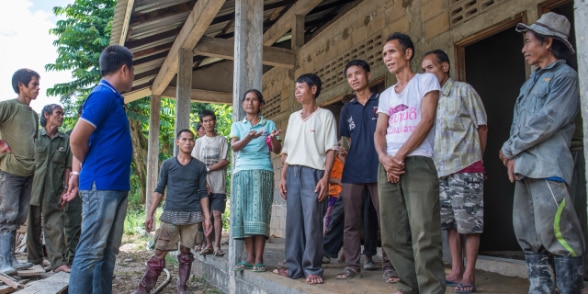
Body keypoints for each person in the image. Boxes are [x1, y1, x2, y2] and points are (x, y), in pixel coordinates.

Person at [499, 12, 584, 293]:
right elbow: (518, 124)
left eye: (528, 41)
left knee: (558, 234)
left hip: (548, 169)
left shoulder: (564, 78)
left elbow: (547, 121)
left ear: (547, 42)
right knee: (528, 235)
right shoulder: (530, 83)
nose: (524, 49)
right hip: (524, 169)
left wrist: (510, 148)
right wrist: (512, 158)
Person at [374, 32, 445, 294]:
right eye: (384, 54)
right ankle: (409, 287)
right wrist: (384, 159)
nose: (387, 58)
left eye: (391, 52)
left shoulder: (426, 81)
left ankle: (431, 290)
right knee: (392, 236)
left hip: (417, 162)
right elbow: (379, 132)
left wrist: (400, 156)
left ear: (408, 53)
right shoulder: (385, 96)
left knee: (424, 232)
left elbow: (426, 120)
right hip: (389, 165)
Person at [64, 44, 134, 294]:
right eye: (133, 71)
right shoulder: (102, 95)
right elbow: (76, 140)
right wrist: (86, 166)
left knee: (107, 252)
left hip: (115, 184)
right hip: (101, 185)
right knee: (91, 250)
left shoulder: (112, 97)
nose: (133, 76)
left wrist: (77, 170)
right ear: (124, 69)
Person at [422, 49, 488, 293]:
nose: (426, 73)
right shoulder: (430, 98)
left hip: (465, 167)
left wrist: (477, 163)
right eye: (423, 70)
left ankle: (469, 273)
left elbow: (482, 127)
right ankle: (456, 269)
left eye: (430, 68)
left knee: (469, 224)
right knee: (450, 224)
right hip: (441, 170)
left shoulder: (463, 91)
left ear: (445, 67)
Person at [336, 59, 398, 282]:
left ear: (368, 75)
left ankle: (391, 266)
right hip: (352, 172)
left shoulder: (382, 101)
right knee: (351, 222)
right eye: (349, 75)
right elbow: (346, 141)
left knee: (386, 219)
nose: (353, 78)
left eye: (358, 74)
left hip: (379, 168)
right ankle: (353, 265)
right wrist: (345, 157)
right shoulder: (347, 109)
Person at [274, 73, 338, 285]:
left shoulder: (325, 116)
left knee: (312, 223)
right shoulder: (293, 117)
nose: (297, 92)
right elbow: (287, 152)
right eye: (296, 89)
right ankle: (294, 268)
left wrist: (326, 178)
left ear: (314, 89)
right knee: (293, 223)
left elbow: (331, 149)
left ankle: (313, 268)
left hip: (314, 173)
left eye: (301, 87)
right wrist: (283, 177)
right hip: (292, 173)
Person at [133, 129, 212, 294]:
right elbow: (159, 190)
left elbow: (203, 193)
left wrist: (206, 218)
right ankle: (143, 289)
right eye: (184, 139)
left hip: (192, 215)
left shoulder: (199, 166)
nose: (188, 142)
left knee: (186, 252)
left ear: (194, 143)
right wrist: (150, 214)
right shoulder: (168, 164)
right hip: (170, 215)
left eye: (191, 140)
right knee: (160, 252)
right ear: (178, 142)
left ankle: (182, 287)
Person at [230, 89, 282, 272]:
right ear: (243, 104)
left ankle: (259, 258)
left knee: (259, 214)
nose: (250, 103)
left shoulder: (269, 124)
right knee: (244, 215)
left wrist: (273, 138)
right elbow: (235, 147)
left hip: (263, 171)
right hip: (242, 172)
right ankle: (249, 257)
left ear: (261, 104)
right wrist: (248, 137)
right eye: (247, 99)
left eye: (254, 100)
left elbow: (276, 150)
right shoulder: (238, 125)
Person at [0, 68, 39, 274]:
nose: (38, 88)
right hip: (10, 169)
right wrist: (2, 148)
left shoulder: (34, 115)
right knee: (8, 215)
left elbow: (33, 141)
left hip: (28, 171)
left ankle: (12, 259)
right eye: (33, 84)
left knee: (19, 215)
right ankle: (3, 262)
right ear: (21, 86)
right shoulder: (7, 107)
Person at [26, 104, 72, 273]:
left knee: (55, 226)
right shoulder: (35, 136)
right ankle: (34, 260)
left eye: (62, 114)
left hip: (54, 190)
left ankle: (58, 262)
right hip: (32, 188)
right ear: (46, 115)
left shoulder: (64, 139)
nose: (61, 116)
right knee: (33, 225)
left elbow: (68, 167)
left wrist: (65, 189)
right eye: (58, 113)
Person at [192, 110, 229, 257]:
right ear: (202, 124)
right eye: (205, 121)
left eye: (210, 120)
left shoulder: (222, 140)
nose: (208, 123)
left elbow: (225, 160)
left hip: (219, 184)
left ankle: (217, 245)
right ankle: (208, 245)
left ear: (214, 121)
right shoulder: (199, 142)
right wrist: (202, 180)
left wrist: (207, 168)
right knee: (205, 216)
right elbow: (195, 164)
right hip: (203, 186)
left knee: (217, 214)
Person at [64, 105, 83, 266]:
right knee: (73, 223)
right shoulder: (68, 136)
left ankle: (84, 261)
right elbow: (66, 166)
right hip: (73, 186)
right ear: (79, 116)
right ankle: (73, 259)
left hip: (92, 186)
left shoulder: (97, 134)